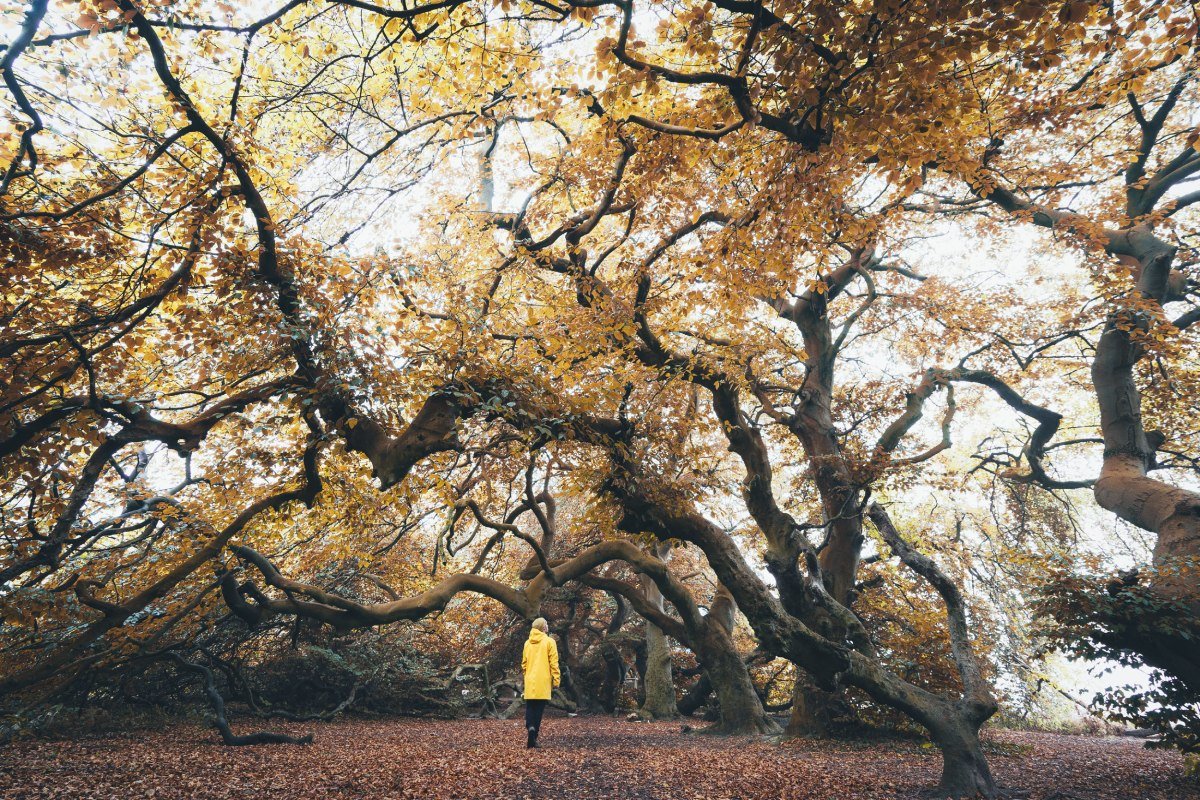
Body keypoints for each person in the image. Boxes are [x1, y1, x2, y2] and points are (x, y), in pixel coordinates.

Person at [521, 617, 560, 748]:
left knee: (530, 706)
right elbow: (554, 663)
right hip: (543, 681)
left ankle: (530, 726)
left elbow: (524, 664)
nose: (548, 626)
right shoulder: (550, 642)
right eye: (546, 624)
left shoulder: (527, 643)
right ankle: (534, 734)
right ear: (543, 627)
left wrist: (526, 676)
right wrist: (556, 679)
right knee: (539, 709)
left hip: (530, 680)